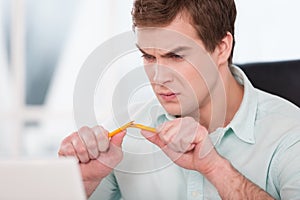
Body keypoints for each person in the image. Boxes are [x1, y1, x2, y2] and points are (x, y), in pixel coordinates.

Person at [58, 0, 300, 199]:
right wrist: (82, 186)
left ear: (222, 48)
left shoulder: (290, 135)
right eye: (148, 57)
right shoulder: (122, 137)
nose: (158, 77)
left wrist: (215, 168)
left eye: (175, 56)